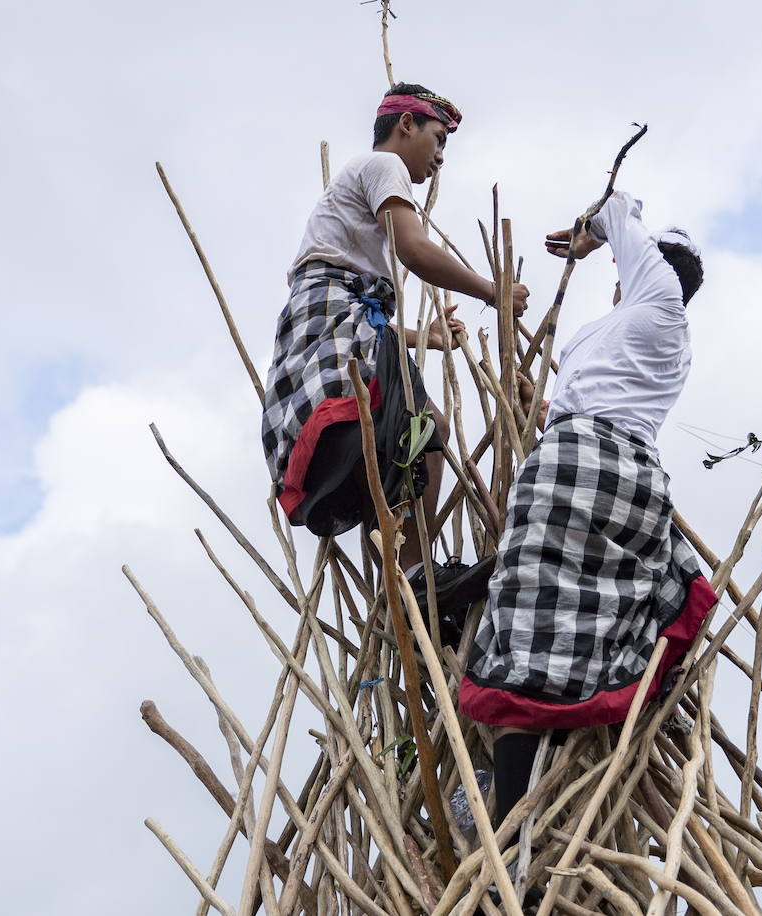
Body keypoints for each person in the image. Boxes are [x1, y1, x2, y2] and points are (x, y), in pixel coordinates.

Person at [458, 189, 719, 827]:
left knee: (528, 622)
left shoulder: (657, 301)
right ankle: (518, 807)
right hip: (609, 469)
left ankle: (509, 808)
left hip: (580, 470)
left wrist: (591, 232)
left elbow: (619, 206)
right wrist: (540, 407)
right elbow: (602, 401)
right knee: (564, 621)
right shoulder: (637, 332)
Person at [261, 83, 528, 627]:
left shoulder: (348, 224)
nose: (440, 157)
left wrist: (423, 337)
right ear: (405, 124)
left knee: (422, 432)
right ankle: (412, 574)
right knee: (422, 428)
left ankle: (411, 579)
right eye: (437, 138)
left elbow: (356, 316)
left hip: (327, 331)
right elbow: (413, 248)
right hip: (331, 328)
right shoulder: (383, 168)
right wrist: (491, 290)